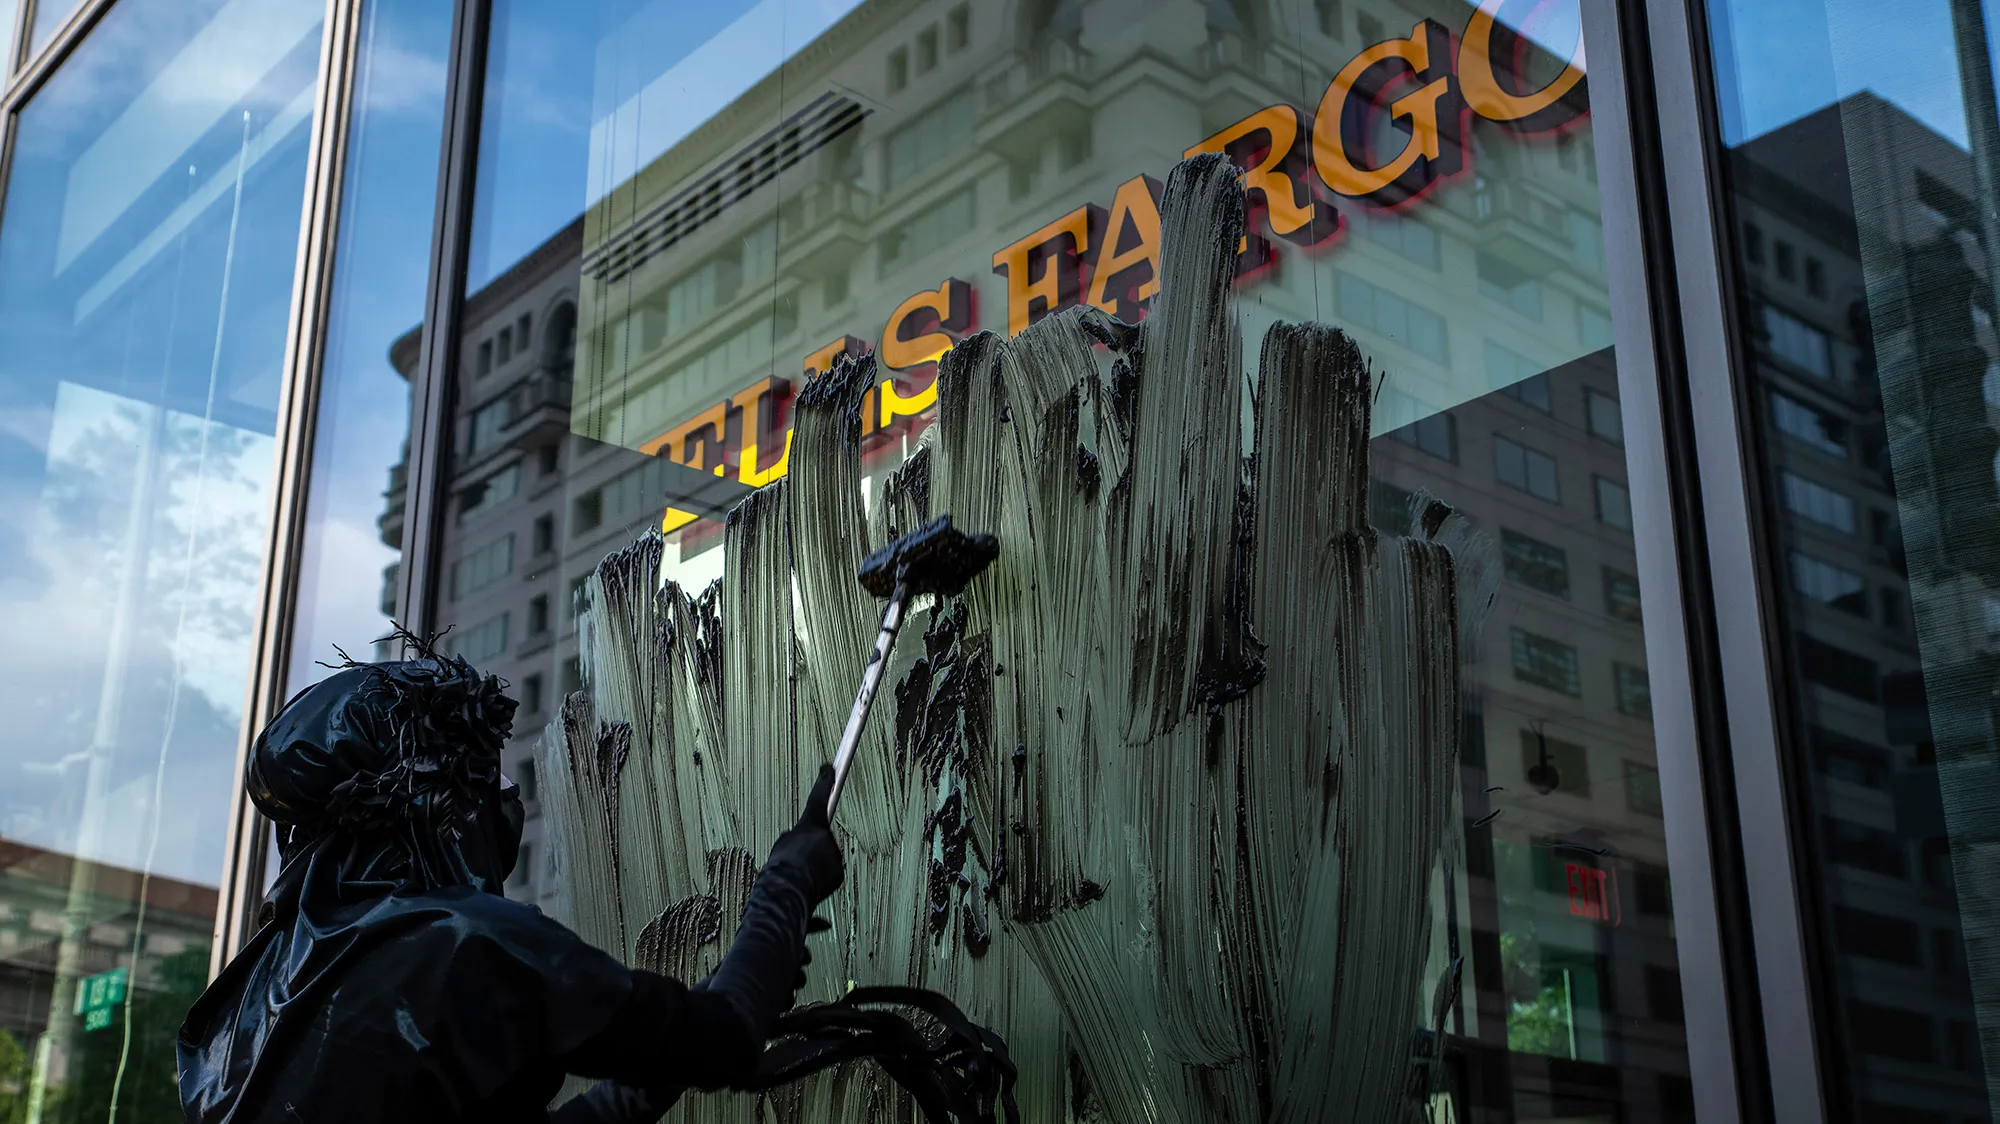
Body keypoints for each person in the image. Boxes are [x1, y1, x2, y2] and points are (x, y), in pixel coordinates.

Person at [177, 647, 843, 1124]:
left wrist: (648, 1071)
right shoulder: (466, 944)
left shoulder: (250, 1003)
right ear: (436, 803)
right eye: (479, 783)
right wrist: (787, 884)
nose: (500, 806)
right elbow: (723, 1038)